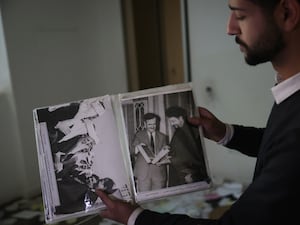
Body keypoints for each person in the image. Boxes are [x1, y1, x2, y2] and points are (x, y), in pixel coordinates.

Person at [95, 0, 300, 224]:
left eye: (240, 16)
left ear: (287, 13)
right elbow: (278, 146)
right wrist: (226, 133)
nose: (230, 28)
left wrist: (134, 217)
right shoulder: (290, 97)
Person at [165, 106, 209, 186]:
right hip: (182, 174)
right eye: (170, 122)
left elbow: (194, 156)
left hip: (189, 176)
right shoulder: (179, 131)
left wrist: (193, 176)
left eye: (173, 121)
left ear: (181, 118)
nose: (172, 124)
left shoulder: (192, 131)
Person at [131, 112, 169, 192]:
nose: (152, 126)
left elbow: (166, 154)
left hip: (158, 172)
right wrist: (138, 148)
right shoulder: (139, 135)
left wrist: (163, 158)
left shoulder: (163, 136)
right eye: (150, 124)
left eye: (154, 124)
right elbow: (131, 151)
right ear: (145, 124)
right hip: (143, 173)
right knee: (144, 197)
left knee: (158, 198)